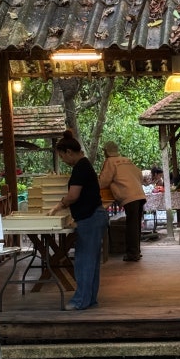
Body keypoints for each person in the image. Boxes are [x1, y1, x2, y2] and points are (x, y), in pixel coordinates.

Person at [53, 130, 108, 311]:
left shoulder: (80, 168)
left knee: (84, 261)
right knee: (90, 261)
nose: (63, 161)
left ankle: (81, 301)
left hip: (90, 218)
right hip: (93, 217)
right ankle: (89, 298)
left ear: (69, 152)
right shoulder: (84, 166)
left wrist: (59, 205)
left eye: (62, 157)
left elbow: (73, 195)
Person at [99, 141, 147, 261]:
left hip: (128, 196)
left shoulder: (110, 162)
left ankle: (132, 254)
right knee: (135, 224)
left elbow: (104, 181)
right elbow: (140, 175)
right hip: (139, 194)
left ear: (106, 152)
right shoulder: (127, 160)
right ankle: (136, 251)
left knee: (131, 225)